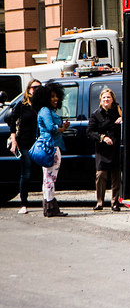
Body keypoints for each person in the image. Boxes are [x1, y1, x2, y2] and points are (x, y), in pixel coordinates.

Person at [4, 79, 42, 214]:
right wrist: (14, 140)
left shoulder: (43, 105)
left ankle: (48, 202)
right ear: (28, 89)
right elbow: (11, 121)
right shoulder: (22, 105)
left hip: (41, 144)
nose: (36, 90)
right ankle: (24, 204)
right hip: (25, 143)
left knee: (45, 174)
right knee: (26, 174)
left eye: (39, 87)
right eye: (34, 87)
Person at [33, 81, 70, 217]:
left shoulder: (45, 110)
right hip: (51, 148)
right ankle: (50, 207)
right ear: (45, 98)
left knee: (47, 178)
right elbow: (50, 127)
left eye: (57, 96)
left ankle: (48, 206)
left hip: (50, 146)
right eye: (52, 96)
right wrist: (60, 128)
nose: (56, 99)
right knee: (50, 179)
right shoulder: (45, 110)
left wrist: (61, 128)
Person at [87, 87, 123, 211]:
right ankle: (100, 202)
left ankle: (115, 203)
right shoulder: (96, 114)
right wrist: (102, 138)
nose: (106, 99)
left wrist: (122, 119)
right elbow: (90, 132)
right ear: (100, 100)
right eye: (104, 97)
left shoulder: (118, 111)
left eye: (108, 97)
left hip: (115, 148)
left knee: (116, 176)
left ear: (113, 99)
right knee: (101, 175)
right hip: (102, 150)